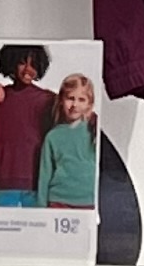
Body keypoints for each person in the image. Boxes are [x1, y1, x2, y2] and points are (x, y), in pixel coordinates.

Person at [0, 43, 56, 202]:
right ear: (11, 62)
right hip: (3, 182)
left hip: (37, 183)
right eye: (22, 63)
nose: (28, 69)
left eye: (33, 64)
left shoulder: (48, 100)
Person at [38, 74, 101, 210]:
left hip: (88, 201)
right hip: (58, 201)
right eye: (70, 98)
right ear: (61, 100)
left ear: (89, 103)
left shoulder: (94, 131)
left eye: (81, 99)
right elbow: (45, 175)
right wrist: (41, 209)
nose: (75, 105)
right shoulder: (52, 136)